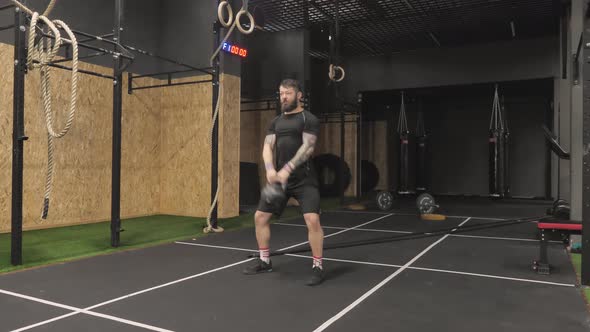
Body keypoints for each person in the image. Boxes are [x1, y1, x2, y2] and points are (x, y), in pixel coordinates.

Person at [242, 78, 325, 286]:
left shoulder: (309, 119)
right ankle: (264, 261)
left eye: (287, 93)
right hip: (280, 180)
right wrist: (270, 169)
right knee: (260, 217)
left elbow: (307, 148)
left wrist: (287, 169)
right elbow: (267, 147)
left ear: (299, 95)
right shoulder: (276, 121)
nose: (283, 97)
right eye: (281, 93)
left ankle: (317, 266)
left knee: (312, 220)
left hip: (304, 179)